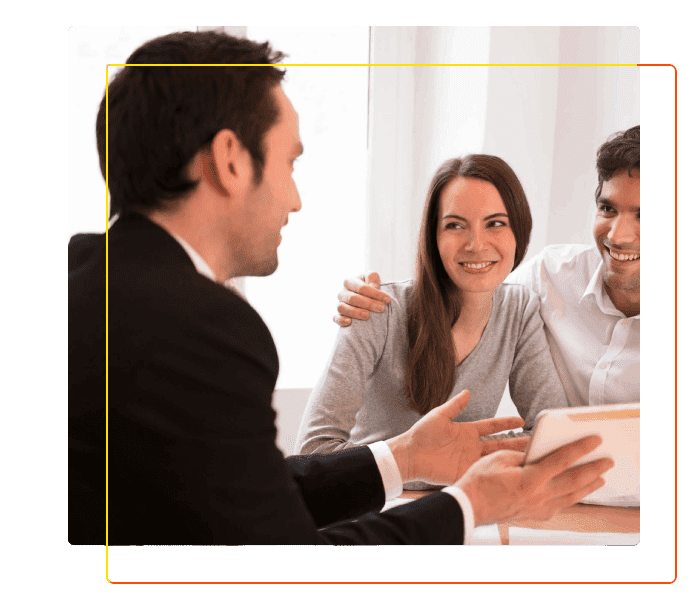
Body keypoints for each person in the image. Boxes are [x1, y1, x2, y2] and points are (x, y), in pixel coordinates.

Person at [68, 31, 612, 546]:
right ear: (231, 160)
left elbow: (249, 497)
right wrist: (468, 504)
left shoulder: (85, 279)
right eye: (290, 162)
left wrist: (404, 458)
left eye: (496, 223)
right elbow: (289, 565)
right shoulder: (201, 325)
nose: (296, 198)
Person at [296, 155, 569, 474]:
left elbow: (551, 436)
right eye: (455, 225)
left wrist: (459, 457)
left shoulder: (519, 310)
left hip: (464, 508)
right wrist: (428, 461)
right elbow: (313, 454)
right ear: (433, 237)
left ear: (519, 231)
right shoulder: (377, 310)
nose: (476, 244)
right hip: (377, 511)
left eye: (495, 223)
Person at [334, 127, 640, 408]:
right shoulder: (548, 277)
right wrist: (363, 297)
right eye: (607, 208)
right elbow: (476, 279)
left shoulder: (519, 307)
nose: (618, 236)